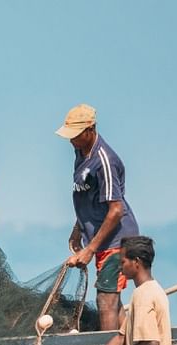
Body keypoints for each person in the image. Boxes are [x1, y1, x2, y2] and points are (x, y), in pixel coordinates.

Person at [57, 103, 140, 332]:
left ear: (90, 129)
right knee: (113, 301)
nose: (71, 140)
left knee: (106, 300)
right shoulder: (80, 153)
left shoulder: (104, 160)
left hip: (117, 241)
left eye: (75, 135)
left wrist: (89, 249)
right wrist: (78, 230)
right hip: (100, 240)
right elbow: (89, 198)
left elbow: (116, 210)